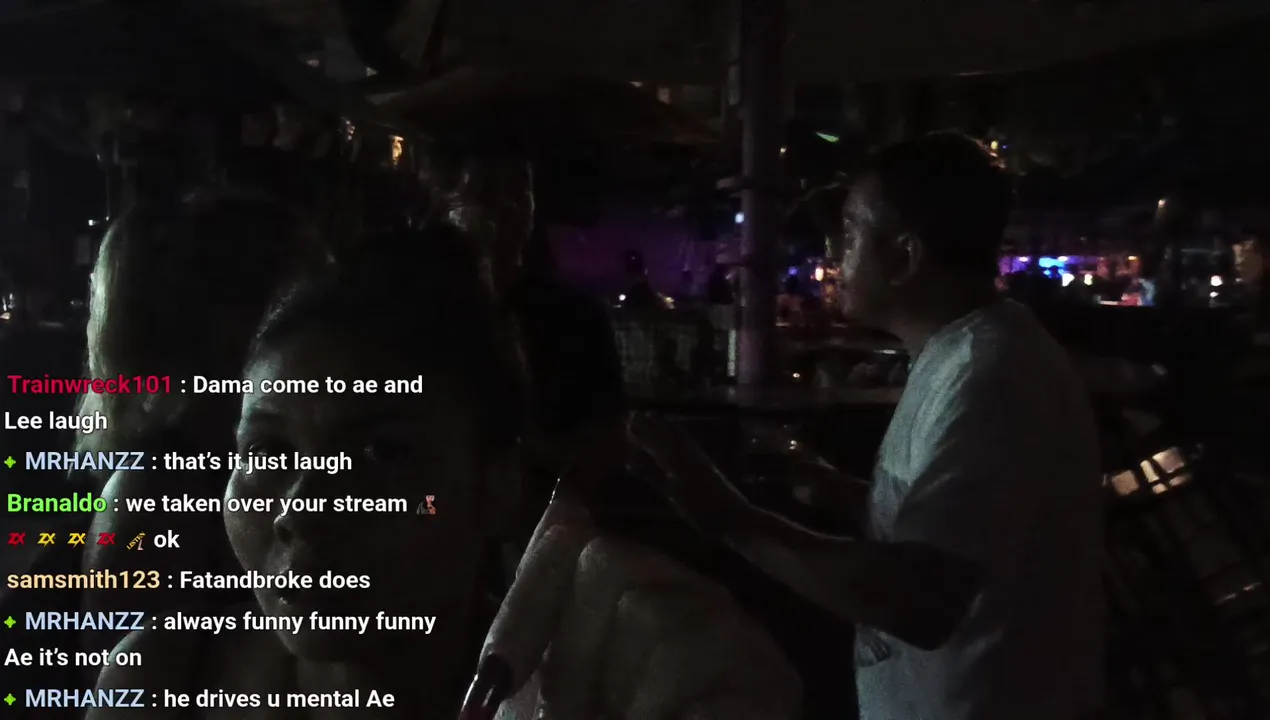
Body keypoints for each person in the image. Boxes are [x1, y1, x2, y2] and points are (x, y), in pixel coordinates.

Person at [89, 228, 800, 720]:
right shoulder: (162, 681)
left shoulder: (596, 687)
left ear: (496, 486)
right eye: (269, 452)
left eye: (382, 454)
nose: (301, 508)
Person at [633, 133, 1103, 720]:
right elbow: (955, 532)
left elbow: (921, 602)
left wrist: (732, 520)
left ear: (905, 257)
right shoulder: (960, 352)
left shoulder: (990, 374)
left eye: (852, 232)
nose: (836, 251)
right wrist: (826, 484)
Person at [79, 191, 328, 625]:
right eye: (304, 303)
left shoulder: (249, 457)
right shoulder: (154, 494)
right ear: (230, 324)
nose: (328, 329)